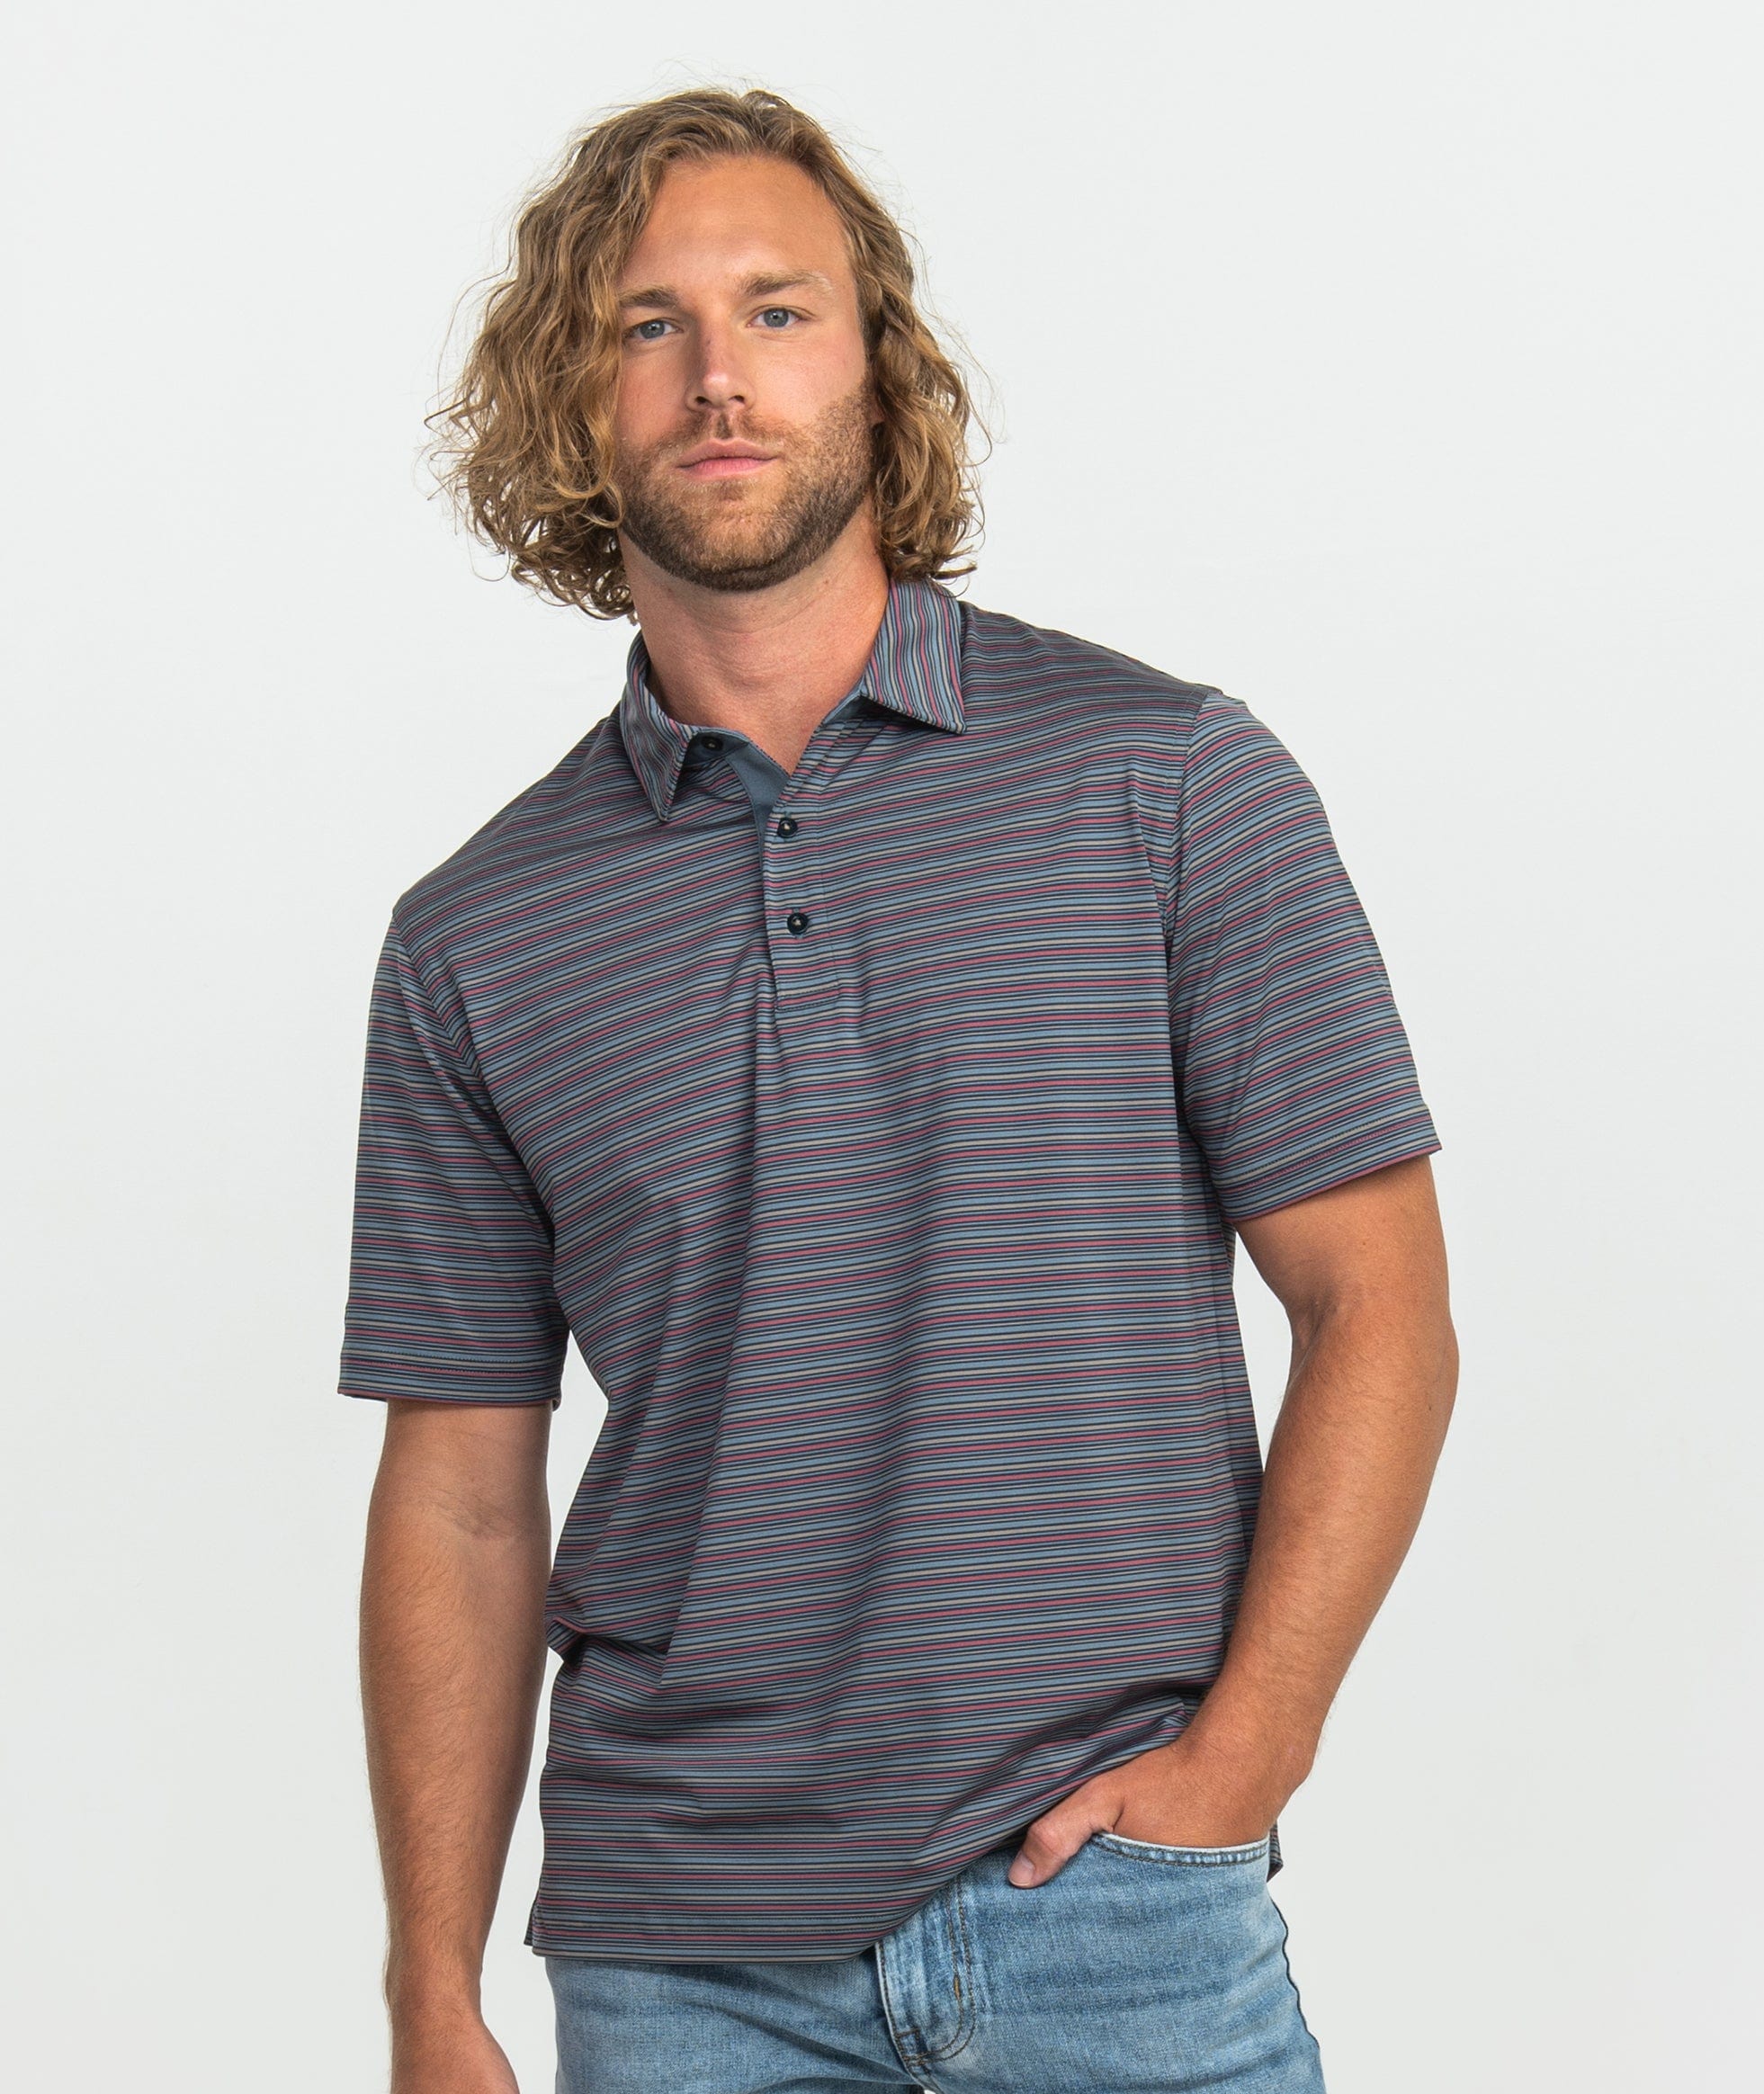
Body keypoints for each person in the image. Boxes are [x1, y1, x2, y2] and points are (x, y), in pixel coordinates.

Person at [337, 84, 1458, 2094]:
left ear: (877, 363)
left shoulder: (1166, 781)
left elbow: (1380, 1305)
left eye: (776, 310)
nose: (718, 376)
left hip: (1117, 1909)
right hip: (681, 1960)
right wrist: (431, 1989)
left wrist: (1245, 1757)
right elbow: (464, 1495)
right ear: (571, 401)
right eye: (647, 325)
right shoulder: (476, 934)